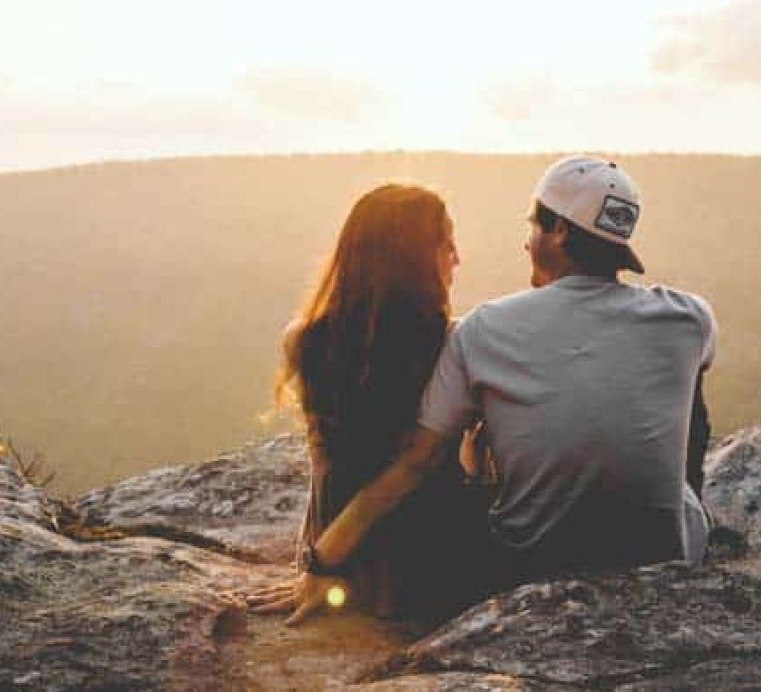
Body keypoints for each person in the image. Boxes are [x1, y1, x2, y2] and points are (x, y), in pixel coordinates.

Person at [252, 156, 717, 624]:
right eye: (447, 245)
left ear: (557, 231)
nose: (524, 240)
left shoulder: (484, 331)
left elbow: (416, 461)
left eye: (534, 224)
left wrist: (322, 559)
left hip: (526, 565)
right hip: (663, 558)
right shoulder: (690, 317)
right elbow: (690, 421)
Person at [247, 183, 483, 621]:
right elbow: (413, 468)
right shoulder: (454, 343)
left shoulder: (302, 340)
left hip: (348, 563)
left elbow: (325, 466)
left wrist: (314, 559)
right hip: (431, 560)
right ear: (414, 260)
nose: (457, 257)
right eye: (446, 244)